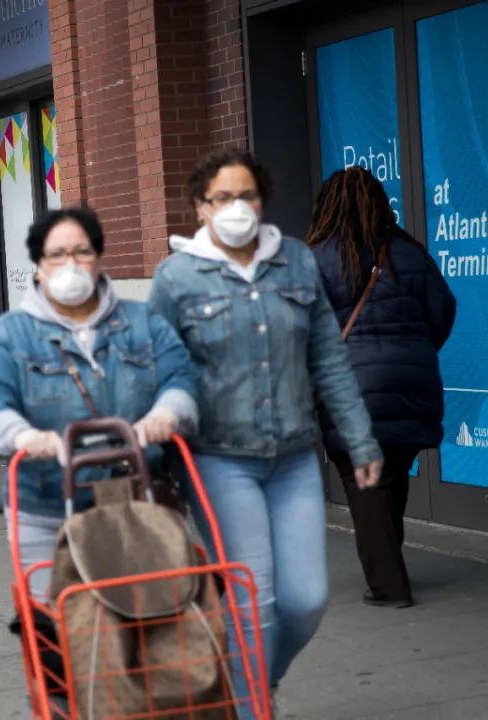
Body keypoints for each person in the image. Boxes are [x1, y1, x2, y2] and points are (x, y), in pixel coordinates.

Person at [148, 149, 383, 715]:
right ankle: (252, 706)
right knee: (253, 600)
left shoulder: (296, 262)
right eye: (223, 198)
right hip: (218, 459)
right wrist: (154, 461)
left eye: (247, 195)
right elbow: (157, 370)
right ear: (200, 207)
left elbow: (328, 358)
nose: (237, 208)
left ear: (263, 201)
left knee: (306, 599)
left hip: (294, 457)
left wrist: (360, 439)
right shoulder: (176, 278)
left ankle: (253, 682)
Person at [0, 207, 200, 601]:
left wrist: (167, 413)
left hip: (141, 498)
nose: (70, 264)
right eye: (57, 254)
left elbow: (181, 377)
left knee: (155, 617)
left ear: (98, 258)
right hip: (46, 507)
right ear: (38, 267)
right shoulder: (9, 335)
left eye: (82, 252)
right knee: (62, 619)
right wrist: (23, 436)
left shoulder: (143, 322)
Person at [307, 167, 456, 609]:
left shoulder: (316, 258)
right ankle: (390, 566)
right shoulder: (408, 251)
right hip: (410, 379)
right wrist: (413, 351)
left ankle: (390, 586)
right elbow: (443, 310)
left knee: (365, 483)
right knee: (390, 472)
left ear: (328, 206)